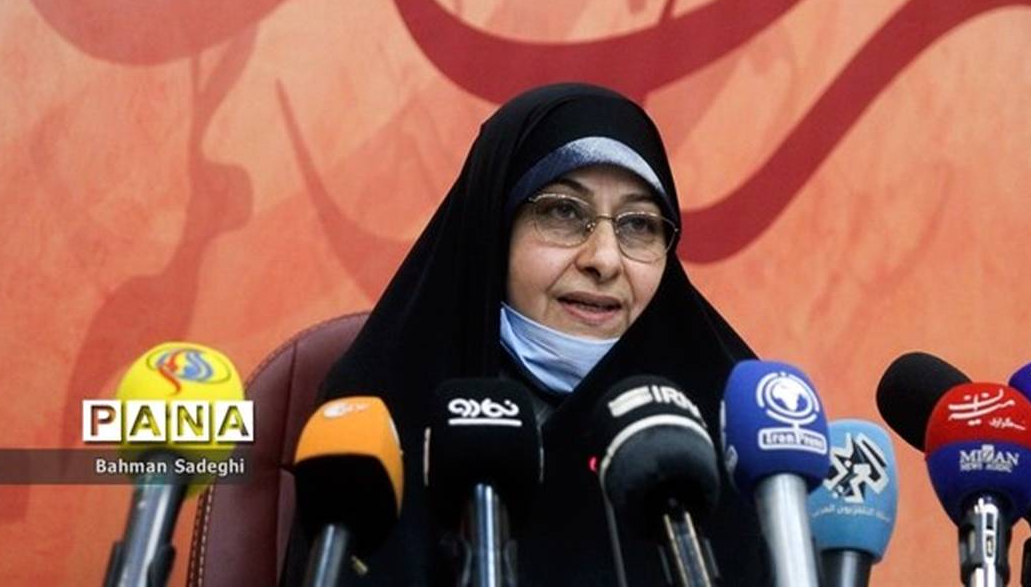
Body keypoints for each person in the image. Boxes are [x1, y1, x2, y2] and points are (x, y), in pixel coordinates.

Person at [283, 83, 769, 585]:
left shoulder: (725, 419)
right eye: (564, 212)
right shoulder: (381, 406)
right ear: (493, 228)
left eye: (639, 225)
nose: (605, 260)